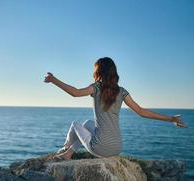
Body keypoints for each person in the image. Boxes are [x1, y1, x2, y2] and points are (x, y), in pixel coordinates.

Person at [44, 57, 187, 160]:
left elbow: (75, 93)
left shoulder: (96, 88)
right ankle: (69, 153)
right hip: (117, 147)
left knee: (75, 125)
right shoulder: (122, 91)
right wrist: (170, 119)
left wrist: (54, 80)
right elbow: (142, 112)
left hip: (100, 148)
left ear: (98, 72)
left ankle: (65, 148)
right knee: (88, 123)